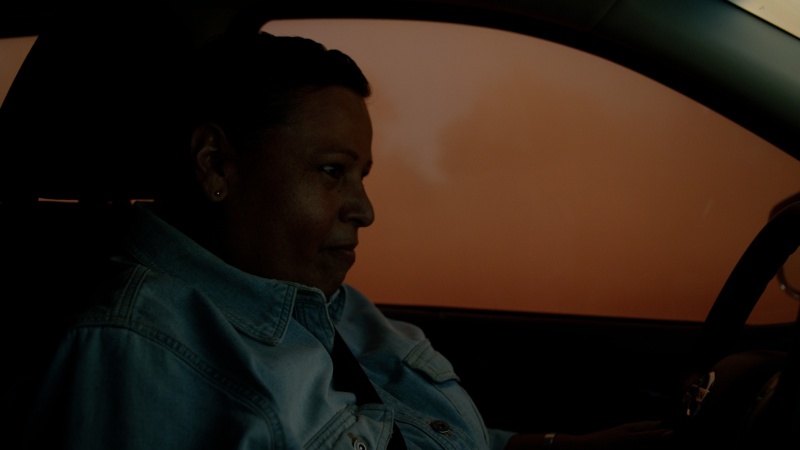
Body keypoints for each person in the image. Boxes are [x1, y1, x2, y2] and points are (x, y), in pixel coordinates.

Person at [7, 29, 674, 449]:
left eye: (362, 175)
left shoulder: (321, 302)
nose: (365, 210)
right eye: (332, 172)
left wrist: (558, 445)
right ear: (216, 167)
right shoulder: (135, 349)